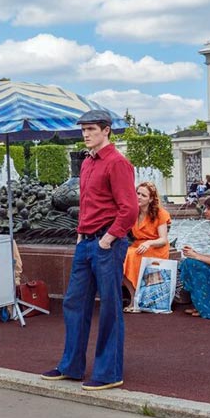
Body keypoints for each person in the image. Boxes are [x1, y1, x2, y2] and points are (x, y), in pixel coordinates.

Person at [41, 110, 138, 391]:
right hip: (86, 243)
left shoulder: (118, 163)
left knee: (109, 307)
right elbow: (89, 205)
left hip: (106, 244)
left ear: (107, 130)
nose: (85, 134)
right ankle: (71, 366)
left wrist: (108, 239)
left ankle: (109, 373)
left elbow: (129, 209)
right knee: (74, 303)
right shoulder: (87, 163)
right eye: (83, 129)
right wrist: (82, 235)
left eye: (91, 129)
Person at [122, 181, 171, 313]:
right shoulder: (133, 212)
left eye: (143, 195)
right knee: (119, 255)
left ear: (150, 199)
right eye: (137, 193)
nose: (138, 197)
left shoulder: (160, 213)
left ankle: (135, 300)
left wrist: (149, 243)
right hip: (138, 246)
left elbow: (163, 239)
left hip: (156, 247)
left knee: (130, 255)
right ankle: (134, 295)